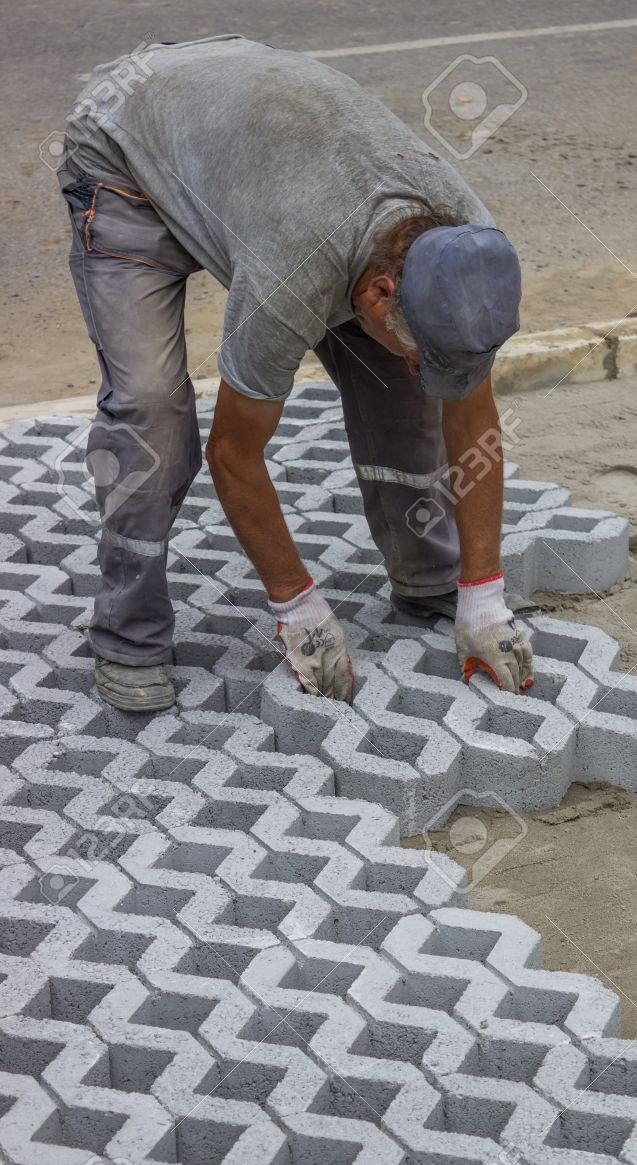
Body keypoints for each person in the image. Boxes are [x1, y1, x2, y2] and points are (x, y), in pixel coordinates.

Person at [58, 35, 534, 711]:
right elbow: (235, 453)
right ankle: (127, 632)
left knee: (408, 389)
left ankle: (435, 580)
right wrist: (298, 605)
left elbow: (470, 412)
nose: (417, 355)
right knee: (151, 413)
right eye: (410, 337)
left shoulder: (467, 252)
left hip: (252, 147)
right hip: (129, 145)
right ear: (378, 294)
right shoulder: (295, 270)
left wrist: (484, 592)